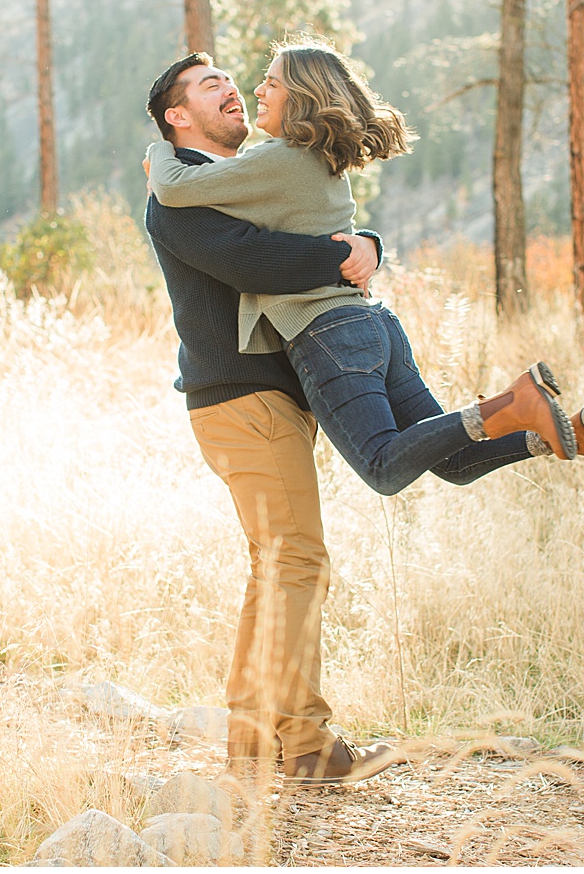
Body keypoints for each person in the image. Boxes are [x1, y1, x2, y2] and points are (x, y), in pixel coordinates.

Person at [146, 41, 584, 496]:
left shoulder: (276, 159)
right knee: (455, 463)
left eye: (270, 83)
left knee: (384, 468)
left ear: (299, 96)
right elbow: (306, 230)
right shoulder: (313, 157)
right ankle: (572, 432)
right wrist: (364, 245)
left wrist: (156, 153)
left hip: (327, 332)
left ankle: (514, 403)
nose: (255, 89)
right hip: (375, 326)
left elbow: (177, 191)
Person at [143, 53, 407, 787]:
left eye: (230, 78)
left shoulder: (241, 178)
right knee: (298, 560)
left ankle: (256, 743)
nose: (229, 88)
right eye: (207, 85)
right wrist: (348, 253)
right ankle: (308, 743)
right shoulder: (179, 200)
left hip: (265, 399)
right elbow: (264, 264)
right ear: (177, 116)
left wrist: (368, 243)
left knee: (274, 567)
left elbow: (303, 212)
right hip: (241, 399)